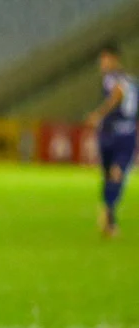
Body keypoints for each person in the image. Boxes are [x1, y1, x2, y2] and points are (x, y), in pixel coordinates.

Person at [86, 43, 138, 238]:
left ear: (114, 59)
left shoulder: (113, 79)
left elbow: (117, 94)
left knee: (113, 174)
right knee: (112, 174)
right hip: (121, 133)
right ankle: (109, 215)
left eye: (104, 59)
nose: (102, 63)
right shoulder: (130, 80)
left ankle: (108, 215)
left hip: (116, 134)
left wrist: (99, 114)